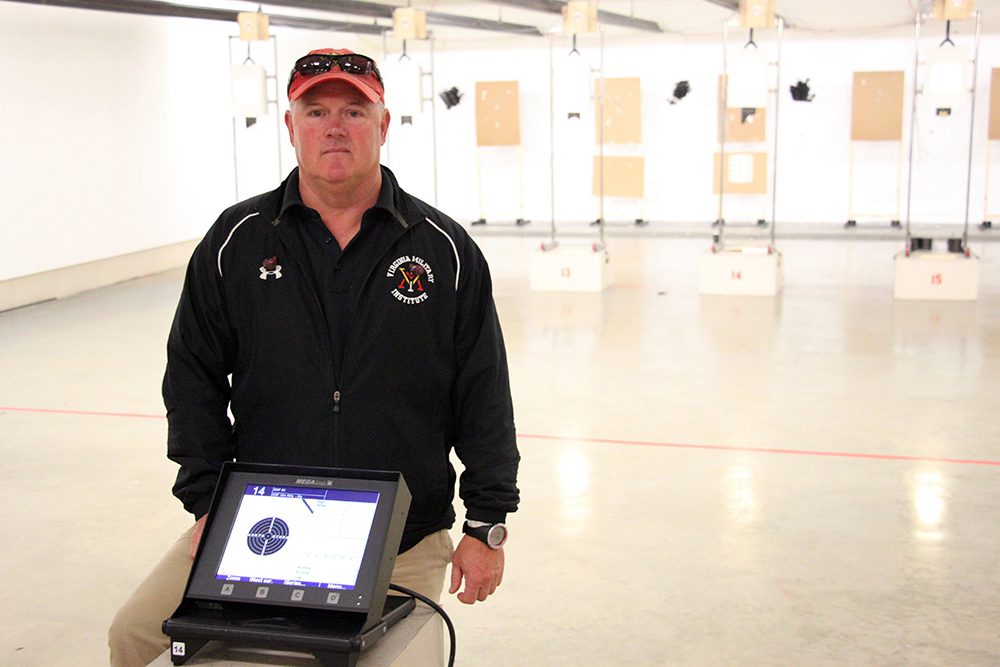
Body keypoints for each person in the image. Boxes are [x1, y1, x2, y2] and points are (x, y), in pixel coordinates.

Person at [107, 47, 520, 666]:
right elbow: (190, 377)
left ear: (382, 126)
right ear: (291, 125)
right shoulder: (236, 241)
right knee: (133, 636)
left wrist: (486, 523)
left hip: (398, 535)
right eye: (316, 109)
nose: (334, 126)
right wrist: (208, 504)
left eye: (354, 110)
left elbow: (483, 391)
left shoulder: (444, 250)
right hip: (263, 523)